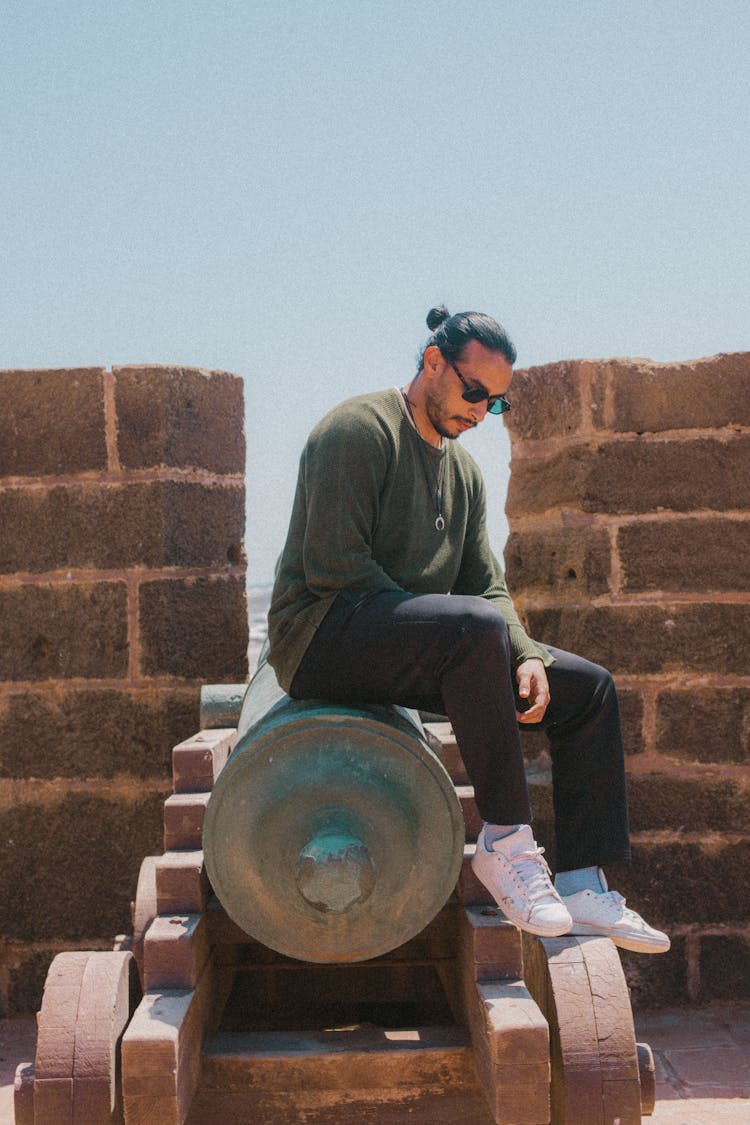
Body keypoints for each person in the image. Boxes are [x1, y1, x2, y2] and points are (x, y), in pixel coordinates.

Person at [267, 305, 669, 954]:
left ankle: (583, 881)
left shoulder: (464, 474)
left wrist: (524, 654)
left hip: (420, 643)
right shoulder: (356, 431)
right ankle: (506, 843)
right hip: (321, 634)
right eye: (472, 391)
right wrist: (458, 641)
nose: (480, 412)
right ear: (432, 363)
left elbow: (485, 585)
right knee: (472, 632)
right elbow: (335, 568)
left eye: (496, 403)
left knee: (586, 689)